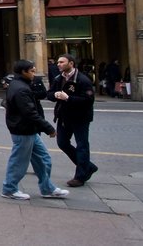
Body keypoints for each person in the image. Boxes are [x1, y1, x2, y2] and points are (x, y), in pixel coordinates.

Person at [1, 59, 68, 200]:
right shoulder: (20, 89)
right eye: (31, 71)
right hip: (23, 130)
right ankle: (9, 189)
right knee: (19, 161)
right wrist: (48, 128)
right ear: (23, 72)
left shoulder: (19, 84)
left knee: (44, 158)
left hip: (29, 129)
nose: (34, 73)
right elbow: (30, 113)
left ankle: (47, 188)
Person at [46, 53, 98, 188]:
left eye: (62, 62)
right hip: (63, 117)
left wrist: (68, 98)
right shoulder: (58, 78)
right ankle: (88, 166)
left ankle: (80, 177)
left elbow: (88, 100)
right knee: (62, 142)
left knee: (82, 145)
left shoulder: (83, 80)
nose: (58, 64)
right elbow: (50, 94)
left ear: (71, 63)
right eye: (58, 62)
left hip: (80, 118)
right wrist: (55, 95)